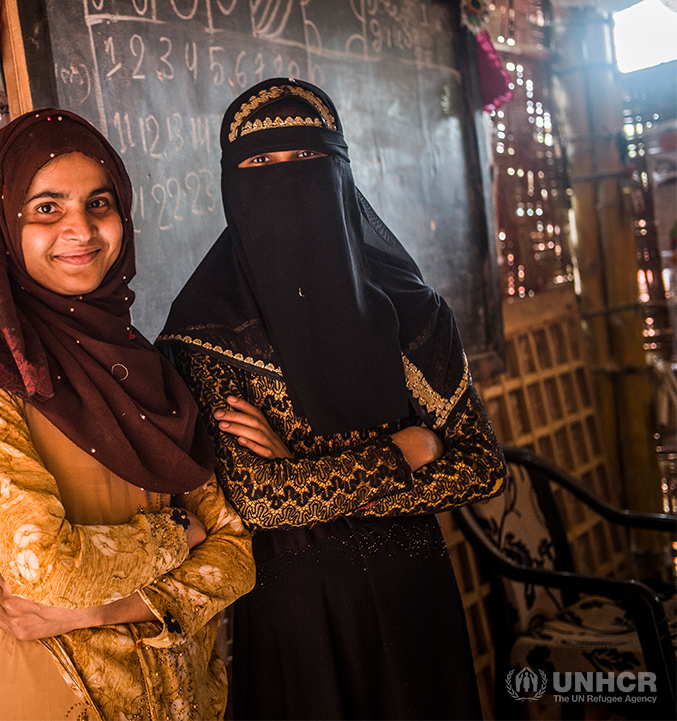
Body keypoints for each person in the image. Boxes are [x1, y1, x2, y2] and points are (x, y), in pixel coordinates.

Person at [158, 78, 506, 720]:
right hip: (299, 609)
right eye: (261, 163)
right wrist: (406, 448)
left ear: (341, 172)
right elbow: (261, 502)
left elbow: (482, 466)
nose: (286, 179)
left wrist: (301, 469)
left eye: (308, 160)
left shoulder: (414, 313)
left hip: (415, 593)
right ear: (233, 183)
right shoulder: (206, 332)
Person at [0, 109, 255, 721]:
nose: (81, 229)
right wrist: (180, 534)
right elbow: (43, 569)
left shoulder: (146, 368)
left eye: (98, 204)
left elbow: (237, 554)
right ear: (3, 223)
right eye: (47, 208)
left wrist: (109, 607)